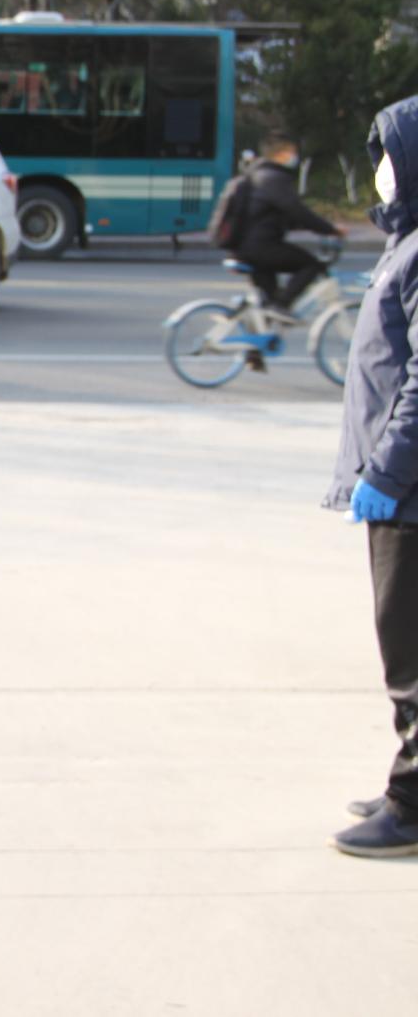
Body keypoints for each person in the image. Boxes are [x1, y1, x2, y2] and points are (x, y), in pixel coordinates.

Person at [326, 94, 418, 858]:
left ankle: (412, 805)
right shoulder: (406, 242)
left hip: (410, 494)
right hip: (400, 490)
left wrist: (385, 470)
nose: (381, 170)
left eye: (390, 155)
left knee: (412, 660)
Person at [233, 131, 343, 315]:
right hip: (260, 246)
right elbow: (297, 211)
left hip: (243, 245)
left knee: (269, 305)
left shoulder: (255, 174)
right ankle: (282, 306)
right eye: (291, 152)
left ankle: (266, 324)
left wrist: (309, 226)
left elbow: (278, 215)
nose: (294, 156)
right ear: (280, 153)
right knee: (312, 265)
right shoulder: (273, 177)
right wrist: (330, 229)